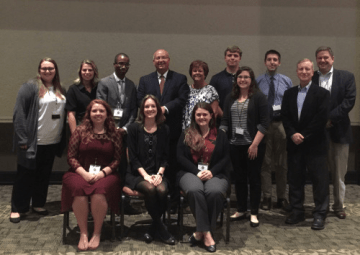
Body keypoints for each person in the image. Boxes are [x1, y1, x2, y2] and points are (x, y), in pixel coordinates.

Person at [10, 58, 66, 223]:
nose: (47, 71)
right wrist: (22, 139)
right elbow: (18, 114)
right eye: (44, 68)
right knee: (25, 175)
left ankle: (38, 204)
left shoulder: (60, 88)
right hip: (32, 142)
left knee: (44, 175)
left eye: (50, 68)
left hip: (51, 140)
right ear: (39, 70)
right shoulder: (29, 87)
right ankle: (17, 208)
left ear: (55, 70)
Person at [61, 99, 122, 251]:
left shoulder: (114, 133)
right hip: (79, 172)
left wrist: (102, 174)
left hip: (106, 174)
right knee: (79, 191)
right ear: (89, 114)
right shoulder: (79, 131)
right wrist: (84, 174)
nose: (98, 113)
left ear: (107, 114)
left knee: (98, 193)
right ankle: (83, 233)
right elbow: (71, 157)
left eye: (101, 111)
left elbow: (117, 160)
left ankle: (97, 232)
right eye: (94, 111)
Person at [137, 49, 189, 212]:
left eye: (164, 58)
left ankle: (172, 202)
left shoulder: (180, 78)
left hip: (172, 131)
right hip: (149, 130)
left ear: (169, 60)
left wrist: (164, 109)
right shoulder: (145, 80)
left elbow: (182, 99)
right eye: (157, 58)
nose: (161, 60)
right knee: (151, 163)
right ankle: (152, 200)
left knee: (171, 165)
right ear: (153, 61)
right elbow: (140, 100)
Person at [282, 59, 330, 230]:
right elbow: (285, 117)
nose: (304, 71)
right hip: (295, 144)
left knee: (320, 181)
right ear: (297, 71)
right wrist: (293, 133)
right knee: (295, 179)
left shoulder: (322, 94)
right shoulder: (289, 93)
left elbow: (321, 119)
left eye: (307, 69)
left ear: (312, 72)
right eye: (301, 68)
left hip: (315, 145)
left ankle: (319, 214)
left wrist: (304, 135)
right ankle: (297, 211)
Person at [220, 66, 269, 227]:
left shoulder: (259, 97)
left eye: (246, 77)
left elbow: (264, 123)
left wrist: (255, 144)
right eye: (240, 77)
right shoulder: (230, 98)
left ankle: (254, 212)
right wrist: (221, 136)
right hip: (235, 146)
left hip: (253, 146)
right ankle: (241, 209)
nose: (242, 79)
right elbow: (225, 121)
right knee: (239, 179)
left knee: (254, 179)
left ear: (251, 80)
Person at [177, 102, 230, 253]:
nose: (201, 117)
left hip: (216, 173)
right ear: (194, 116)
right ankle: (207, 234)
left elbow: (226, 158)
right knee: (194, 189)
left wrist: (212, 172)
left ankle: (200, 232)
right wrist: (196, 171)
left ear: (211, 116)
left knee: (214, 192)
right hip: (189, 173)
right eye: (198, 114)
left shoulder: (220, 135)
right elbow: (180, 157)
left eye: (204, 114)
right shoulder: (186, 134)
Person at [312, 46, 356, 220]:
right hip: (318, 134)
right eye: (319, 58)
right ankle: (321, 205)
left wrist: (330, 118)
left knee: (339, 174)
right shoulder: (311, 78)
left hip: (340, 132)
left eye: (326, 58)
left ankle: (338, 206)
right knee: (320, 173)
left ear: (332, 58)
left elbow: (349, 101)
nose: (322, 61)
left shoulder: (346, 77)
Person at [125, 95, 175, 245]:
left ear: (157, 109)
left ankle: (153, 227)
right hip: (137, 174)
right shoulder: (134, 128)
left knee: (162, 190)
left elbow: (166, 157)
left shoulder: (164, 129)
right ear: (142, 110)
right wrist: (146, 176)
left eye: (153, 106)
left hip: (158, 173)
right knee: (150, 189)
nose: (150, 109)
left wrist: (159, 174)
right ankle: (162, 229)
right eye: (147, 106)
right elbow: (133, 158)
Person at [97, 53, 139, 215]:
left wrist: (125, 129)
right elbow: (100, 108)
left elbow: (134, 111)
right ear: (114, 64)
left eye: (126, 64)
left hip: (124, 134)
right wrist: (111, 129)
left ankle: (123, 202)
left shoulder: (131, 85)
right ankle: (106, 201)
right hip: (106, 133)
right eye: (120, 64)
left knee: (123, 168)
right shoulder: (104, 83)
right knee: (106, 167)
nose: (123, 67)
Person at [256, 50, 293, 211]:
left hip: (280, 125)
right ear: (265, 62)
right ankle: (266, 196)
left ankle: (281, 197)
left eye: (275, 60)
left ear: (279, 63)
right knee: (265, 162)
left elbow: (291, 104)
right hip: (264, 125)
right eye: (269, 59)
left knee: (281, 163)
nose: (272, 62)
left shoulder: (286, 81)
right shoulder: (257, 81)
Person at [182, 60, 222, 130]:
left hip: (204, 129)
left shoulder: (211, 90)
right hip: (187, 129)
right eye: (194, 71)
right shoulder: (186, 89)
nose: (197, 73)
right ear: (191, 73)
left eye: (200, 71)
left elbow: (214, 113)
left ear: (205, 73)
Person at [66, 60, 98, 134]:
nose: (87, 72)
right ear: (80, 72)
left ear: (94, 72)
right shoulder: (73, 89)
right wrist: (75, 134)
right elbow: (71, 114)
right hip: (80, 126)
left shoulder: (99, 88)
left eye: (90, 70)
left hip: (98, 127)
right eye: (84, 70)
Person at [209, 45, 242, 112]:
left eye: (235, 56)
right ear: (225, 58)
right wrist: (223, 117)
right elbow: (212, 100)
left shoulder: (246, 78)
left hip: (243, 119)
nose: (232, 58)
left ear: (240, 58)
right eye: (229, 55)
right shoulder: (216, 79)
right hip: (222, 120)